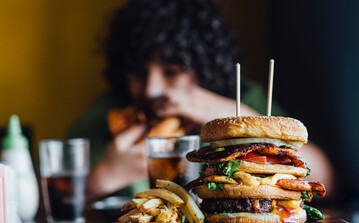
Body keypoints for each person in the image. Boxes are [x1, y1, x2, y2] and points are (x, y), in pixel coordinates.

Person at [67, 0, 334, 201]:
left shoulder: (242, 97)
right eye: (138, 73)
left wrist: (225, 113)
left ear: (203, 68)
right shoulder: (111, 112)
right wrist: (101, 178)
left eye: (172, 72)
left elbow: (328, 179)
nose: (151, 89)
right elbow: (45, 205)